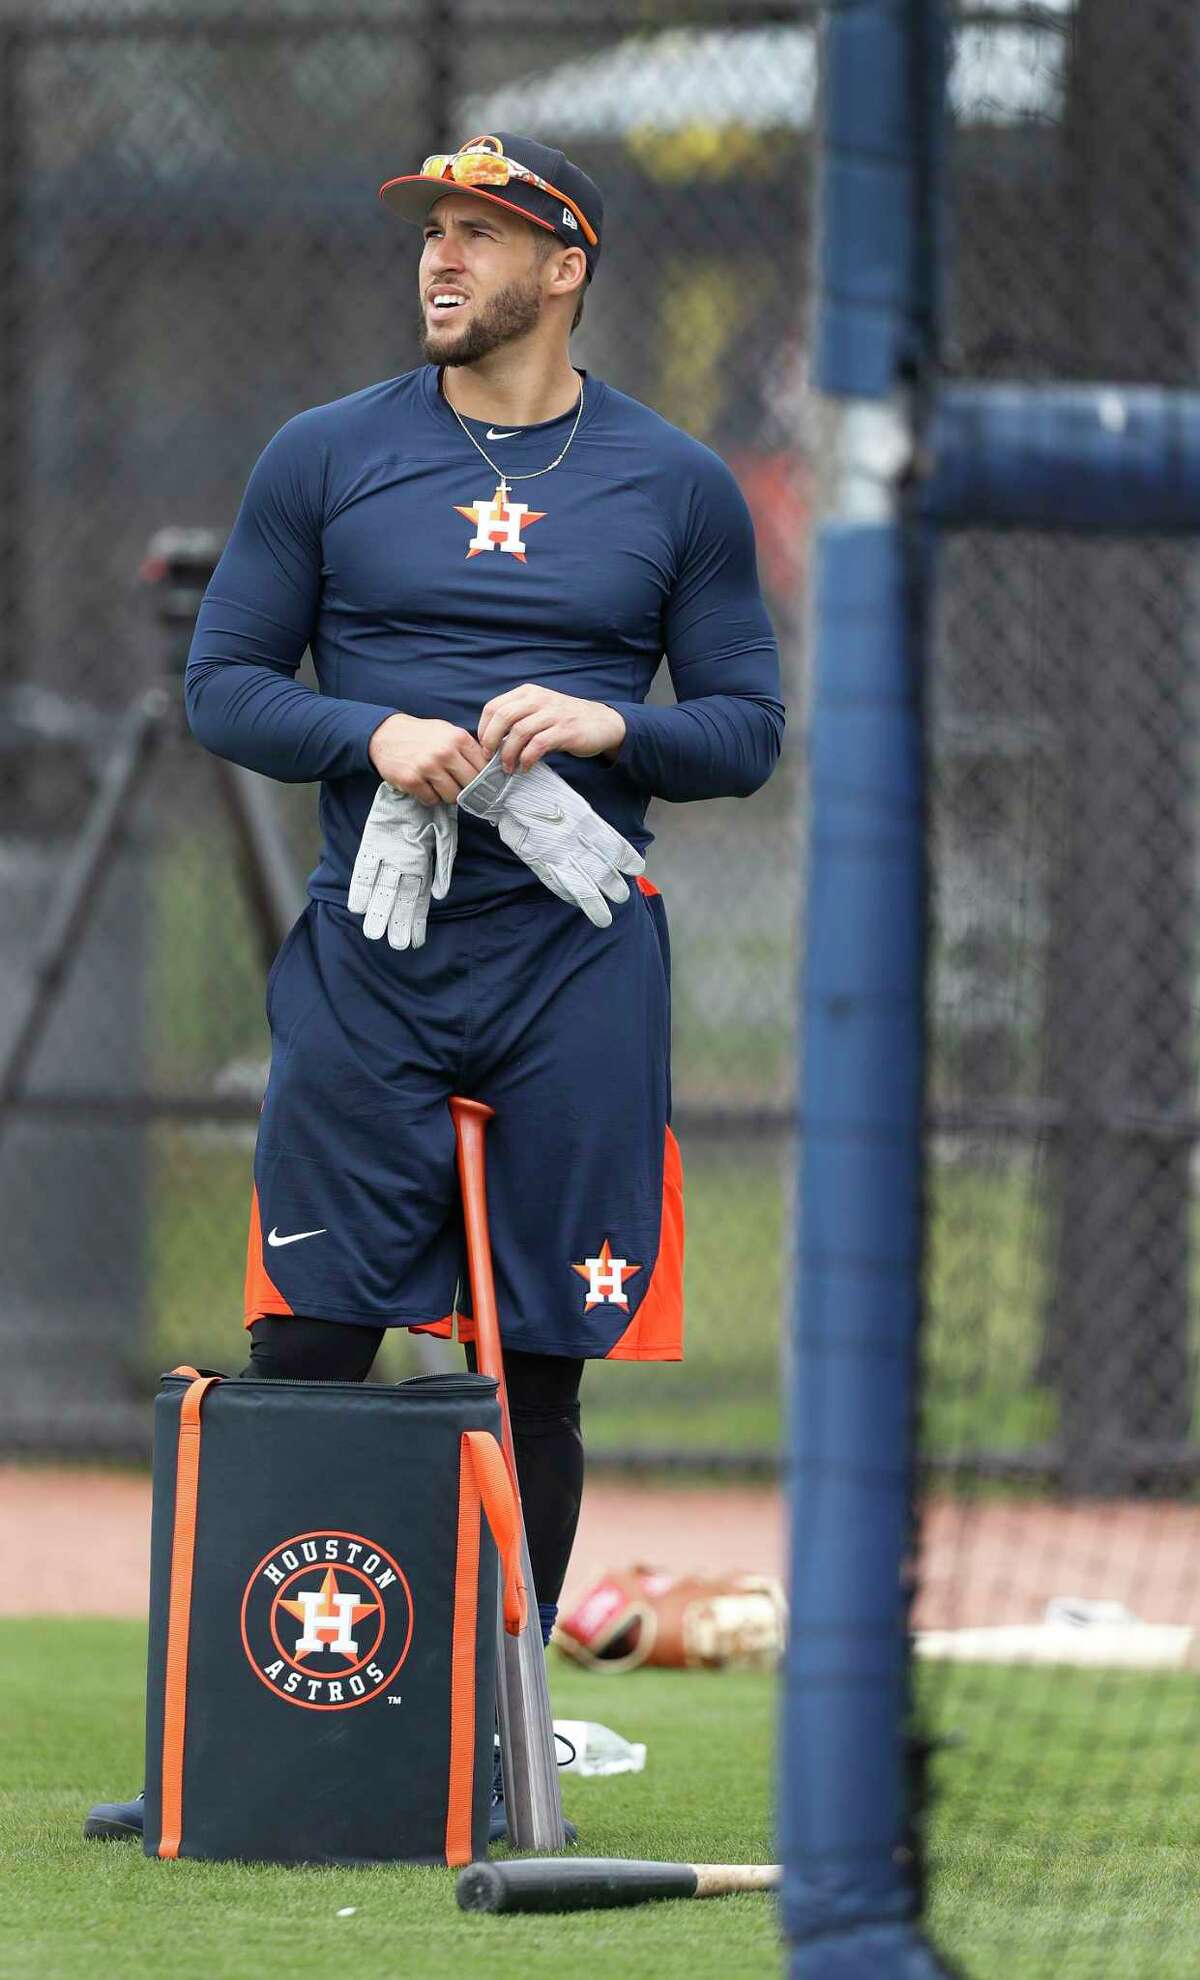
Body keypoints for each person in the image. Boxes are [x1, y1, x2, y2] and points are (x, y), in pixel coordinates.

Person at [84, 132, 783, 1844]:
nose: (443, 261)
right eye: (433, 232)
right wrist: (370, 731)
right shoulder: (324, 456)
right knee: (311, 1337)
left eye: (484, 234)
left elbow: (749, 730)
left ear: (568, 268)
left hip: (577, 957)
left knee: (534, 1355)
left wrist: (619, 722)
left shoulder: (673, 481)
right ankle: (238, 1730)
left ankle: (496, 1727)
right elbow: (226, 684)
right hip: (377, 948)